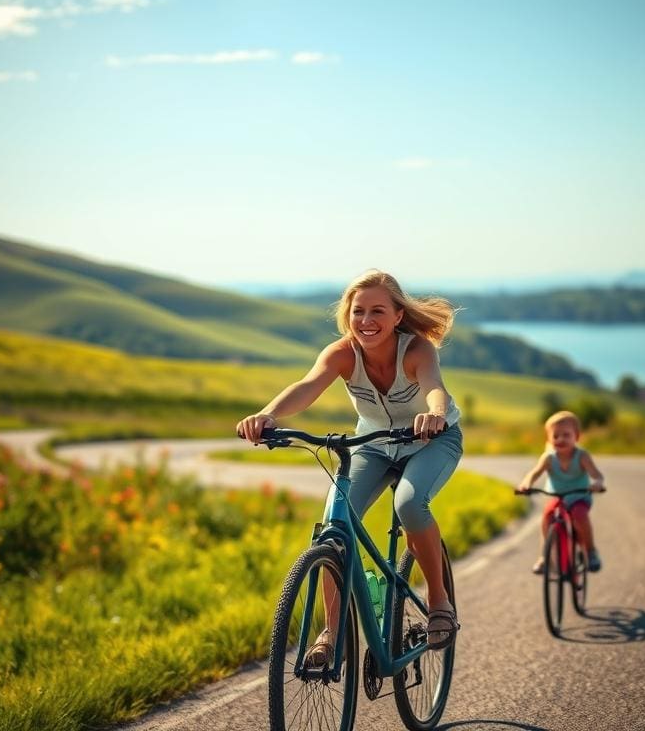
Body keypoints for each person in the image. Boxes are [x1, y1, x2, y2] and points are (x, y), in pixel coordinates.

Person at [236, 269, 463, 664]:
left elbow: (434, 389)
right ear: (348, 315)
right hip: (374, 444)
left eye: (378, 311)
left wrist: (435, 414)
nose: (367, 321)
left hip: (432, 439)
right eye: (358, 311)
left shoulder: (417, 350)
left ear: (397, 316)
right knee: (332, 527)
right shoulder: (341, 353)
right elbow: (307, 386)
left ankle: (439, 602)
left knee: (409, 504)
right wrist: (268, 415)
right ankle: (332, 630)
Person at [514, 410, 605, 574]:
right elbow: (534, 473)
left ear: (577, 437)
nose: (560, 439)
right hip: (557, 498)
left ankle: (591, 551)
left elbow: (596, 475)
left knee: (579, 515)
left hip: (579, 497)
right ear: (549, 439)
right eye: (555, 436)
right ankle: (545, 557)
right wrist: (526, 484)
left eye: (566, 435)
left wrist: (597, 483)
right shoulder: (548, 458)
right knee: (548, 516)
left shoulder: (582, 456)